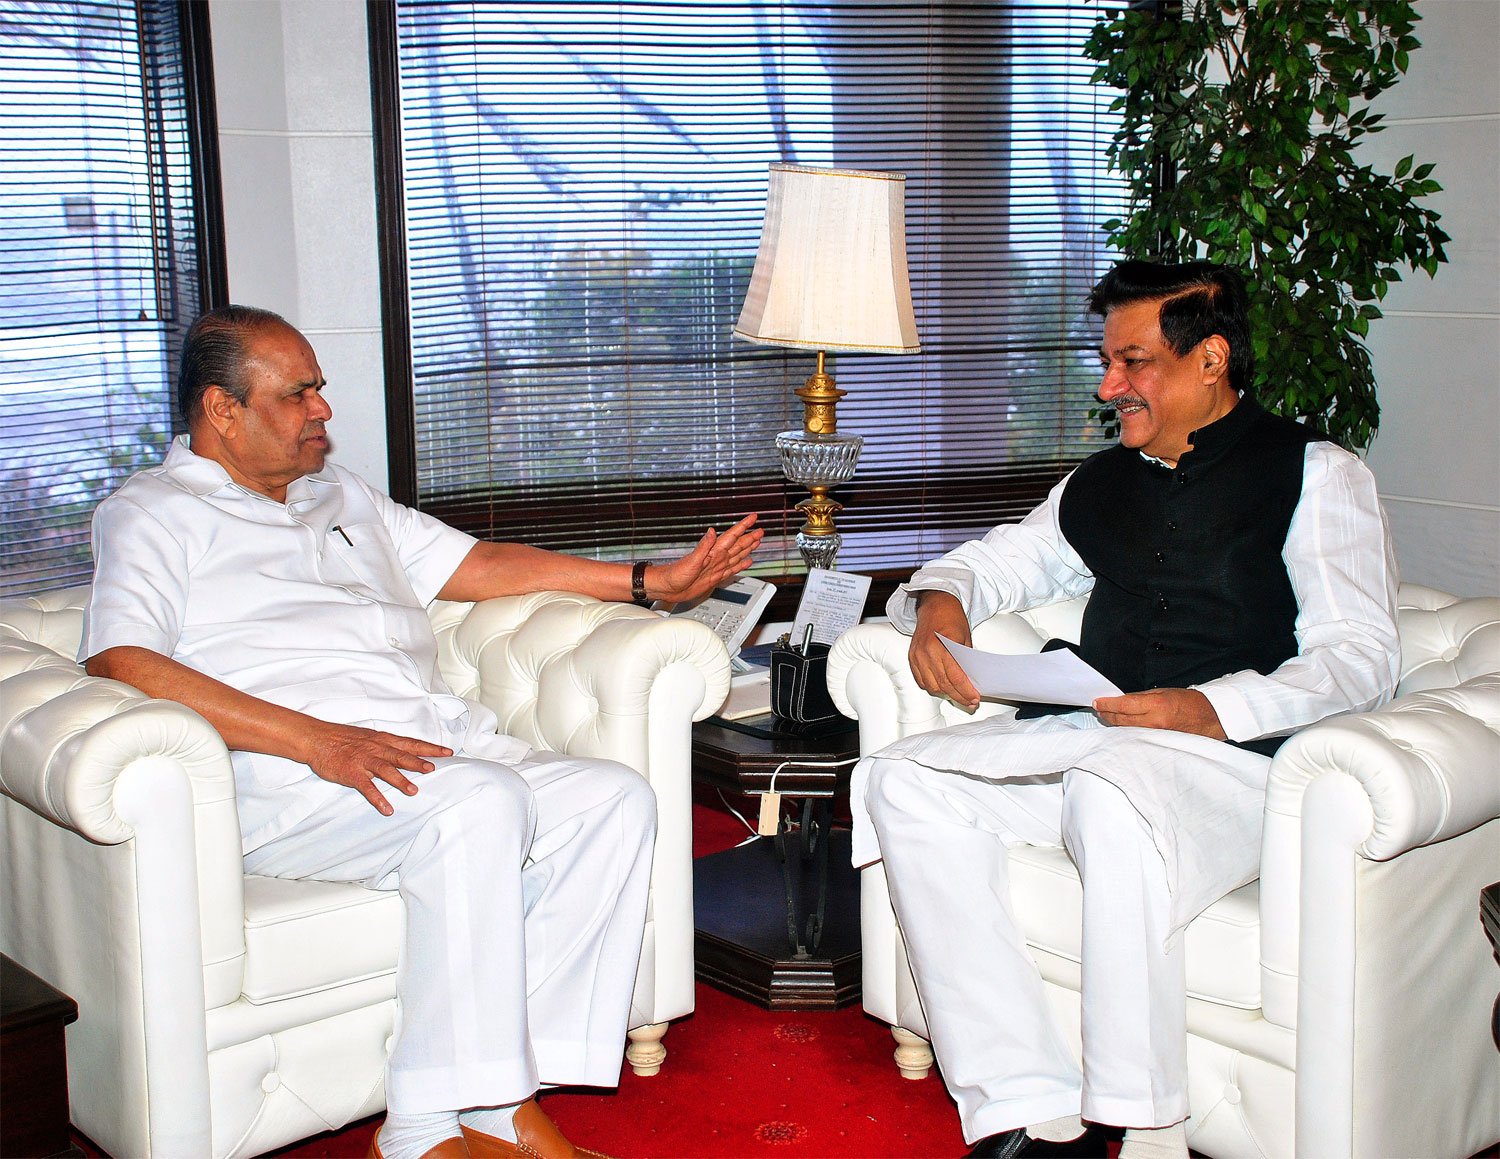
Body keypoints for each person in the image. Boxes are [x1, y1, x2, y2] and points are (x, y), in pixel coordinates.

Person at [79, 305, 763, 1159]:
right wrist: (319, 739)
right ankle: (426, 1132)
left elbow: (475, 564)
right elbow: (121, 660)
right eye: (298, 395)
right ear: (222, 410)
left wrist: (646, 580)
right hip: (292, 773)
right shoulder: (150, 512)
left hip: (431, 748)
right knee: (476, 805)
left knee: (614, 799)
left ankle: (500, 1107)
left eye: (319, 388)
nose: (323, 410)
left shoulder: (339, 493)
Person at [854, 261, 1399, 1159]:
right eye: (1108, 362)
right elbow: (994, 561)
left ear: (1211, 357)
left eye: (1133, 362)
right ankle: (1025, 1105)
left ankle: (1143, 1127)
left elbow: (1363, 656)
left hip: (1237, 767)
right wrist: (941, 599)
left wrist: (1209, 705)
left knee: (1110, 796)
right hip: (1100, 744)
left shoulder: (1316, 473)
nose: (1111, 387)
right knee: (903, 780)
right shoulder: (1101, 480)